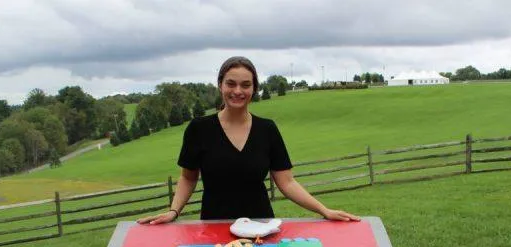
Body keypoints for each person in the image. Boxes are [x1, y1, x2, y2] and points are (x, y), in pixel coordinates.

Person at [137, 56, 359, 225]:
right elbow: (188, 178)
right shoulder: (199, 128)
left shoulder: (267, 129)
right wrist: (174, 211)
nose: (237, 91)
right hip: (213, 227)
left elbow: (287, 183)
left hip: (261, 227)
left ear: (254, 89)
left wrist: (324, 210)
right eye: (231, 84)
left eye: (245, 85)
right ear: (220, 85)